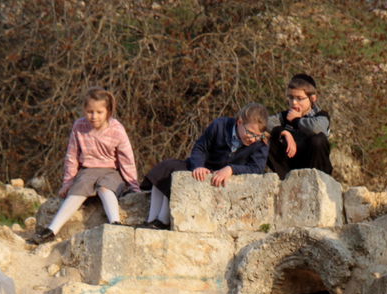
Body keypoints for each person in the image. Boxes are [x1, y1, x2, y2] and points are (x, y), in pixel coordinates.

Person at [32, 88, 140, 245]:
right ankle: (52, 230)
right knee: (79, 188)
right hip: (87, 170)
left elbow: (126, 159)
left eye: (99, 112)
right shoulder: (79, 126)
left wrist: (133, 185)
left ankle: (115, 223)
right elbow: (72, 156)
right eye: (90, 111)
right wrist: (68, 182)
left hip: (111, 171)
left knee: (106, 188)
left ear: (108, 112)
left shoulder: (117, 129)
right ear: (84, 110)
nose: (94, 116)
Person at [140, 103, 270, 230]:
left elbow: (256, 169)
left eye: (257, 136)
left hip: (223, 173)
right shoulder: (220, 125)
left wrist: (231, 169)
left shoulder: (261, 144)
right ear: (240, 122)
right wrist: (198, 166)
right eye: (250, 133)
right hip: (204, 167)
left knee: (176, 178)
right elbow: (200, 147)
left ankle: (163, 220)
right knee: (168, 167)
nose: (253, 139)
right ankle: (151, 219)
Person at [266, 74, 332, 179]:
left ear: (312, 98)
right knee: (264, 138)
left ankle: (317, 181)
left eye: (299, 98)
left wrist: (297, 120)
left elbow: (317, 128)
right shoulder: (285, 116)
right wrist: (284, 133)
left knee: (318, 140)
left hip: (315, 169)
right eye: (291, 98)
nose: (294, 103)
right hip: (290, 165)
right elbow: (264, 122)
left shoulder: (321, 115)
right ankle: (285, 180)